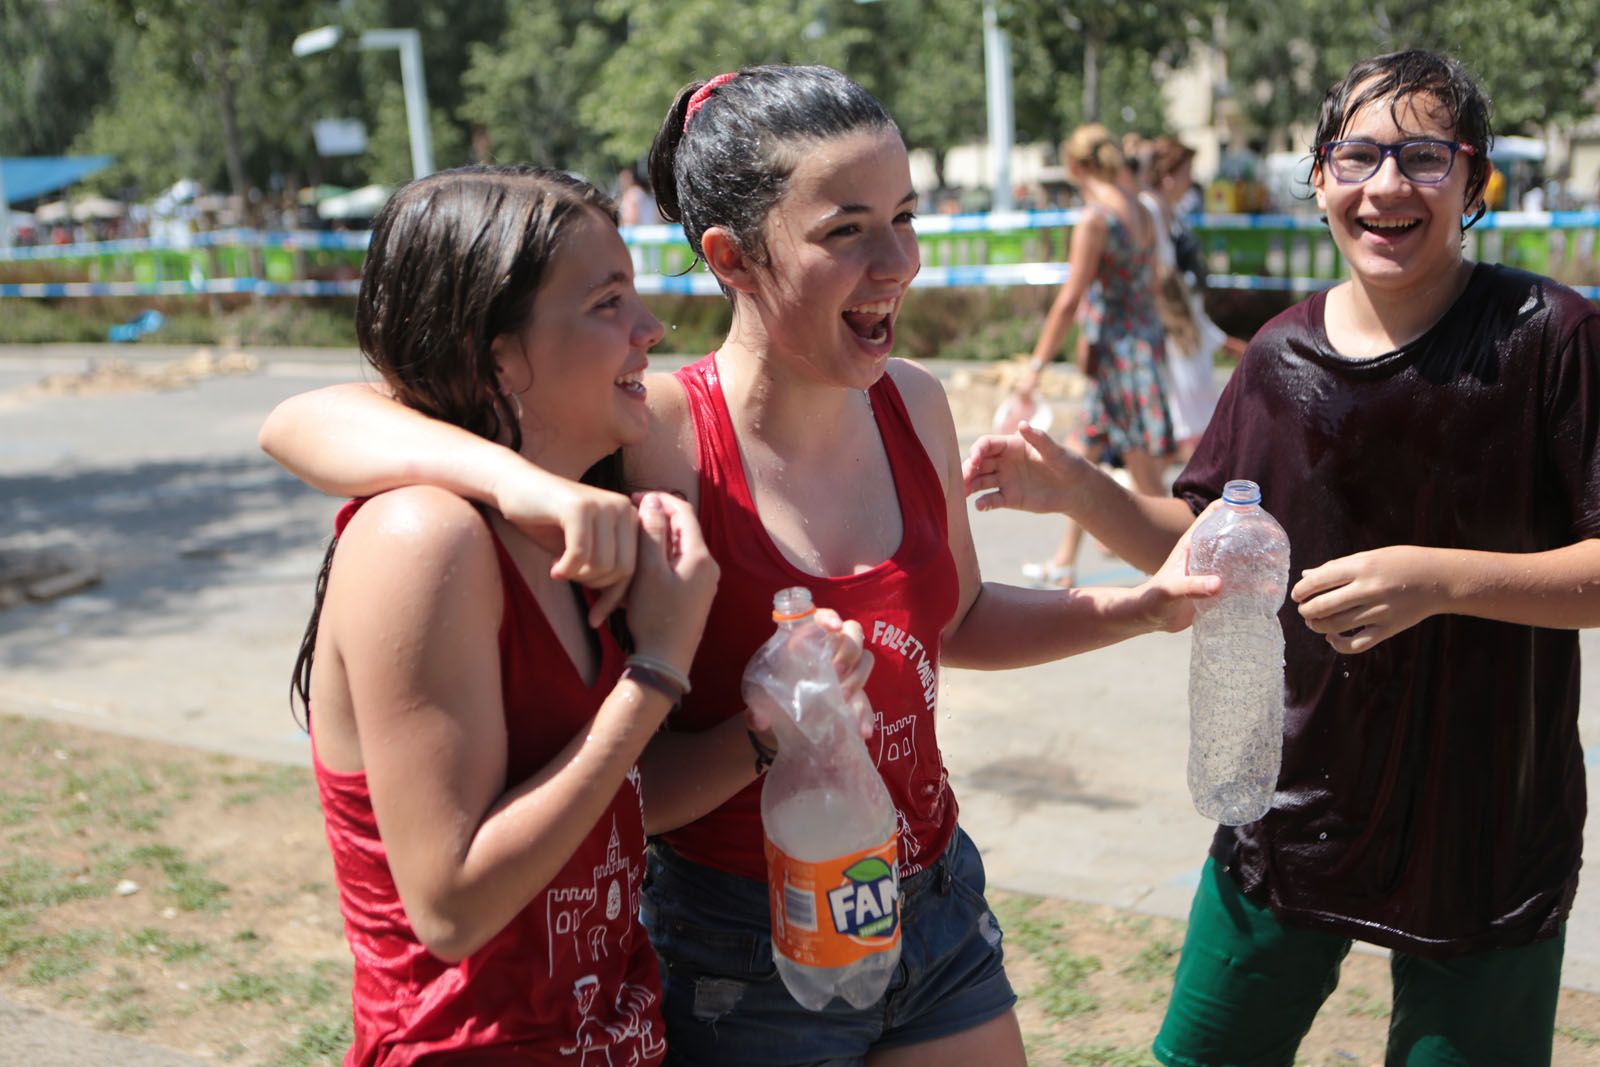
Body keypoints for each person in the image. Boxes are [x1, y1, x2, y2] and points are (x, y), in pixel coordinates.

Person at [261, 66, 1220, 1066]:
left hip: (923, 896)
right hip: (732, 933)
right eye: (846, 228)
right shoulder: (640, 436)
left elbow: (954, 615)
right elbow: (314, 417)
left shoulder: (913, 404)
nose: (898, 260)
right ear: (731, 257)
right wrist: (528, 489)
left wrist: (1132, 607)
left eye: (903, 215)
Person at [964, 49, 1600, 1065]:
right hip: (1286, 804)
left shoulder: (1550, 337)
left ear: (1474, 179)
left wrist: (1441, 581)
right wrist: (1079, 489)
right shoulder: (1277, 358)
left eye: (1423, 156)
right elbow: (1206, 551)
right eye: (1357, 155)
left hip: (1487, 822)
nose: (1386, 185)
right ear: (1317, 179)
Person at [281, 164, 728, 1065]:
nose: (651, 330)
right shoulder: (425, 536)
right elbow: (452, 907)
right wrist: (657, 671)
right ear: (499, 355)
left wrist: (777, 725)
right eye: (608, 303)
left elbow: (604, 809)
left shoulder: (578, 516)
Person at [1012, 124, 1178, 588]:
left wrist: (1035, 366)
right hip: (1137, 345)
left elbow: (1069, 299)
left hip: (1120, 356)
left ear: (1073, 167)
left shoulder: (1095, 219)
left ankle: (1185, 570)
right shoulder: (1139, 210)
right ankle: (1065, 560)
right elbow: (1148, 282)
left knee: (1144, 474)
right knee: (1081, 458)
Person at [1141, 136, 1249, 460]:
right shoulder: (1151, 208)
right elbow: (1160, 270)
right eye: (1187, 170)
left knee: (1191, 402)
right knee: (1188, 402)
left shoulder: (1167, 209)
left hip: (1185, 313)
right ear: (1169, 173)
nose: (1192, 179)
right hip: (1177, 317)